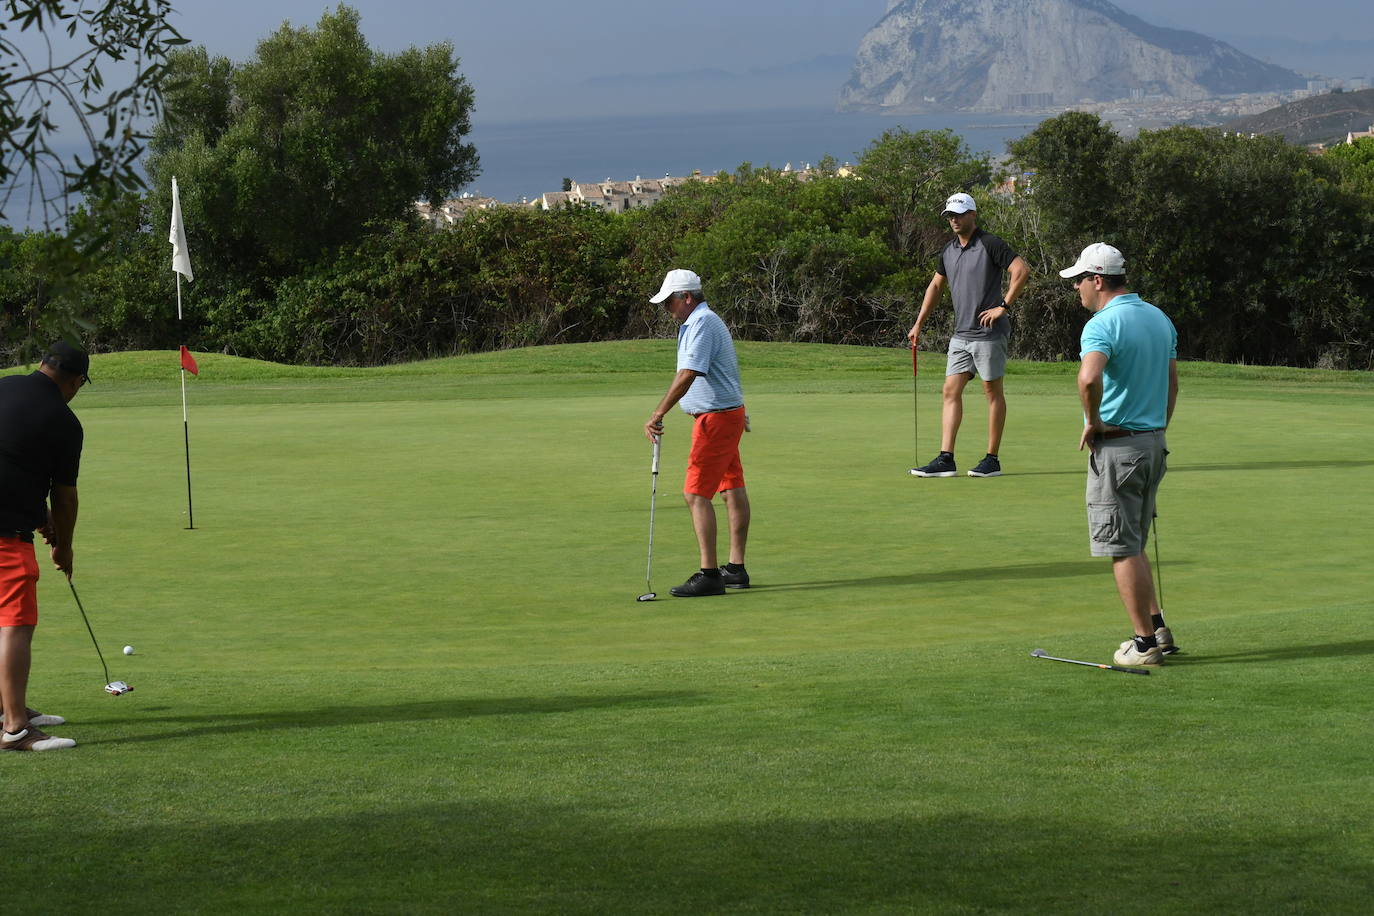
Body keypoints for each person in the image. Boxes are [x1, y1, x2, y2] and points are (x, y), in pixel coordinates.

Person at [1062, 243, 1179, 667]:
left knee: (1121, 547)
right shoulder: (1158, 318)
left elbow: (1089, 377)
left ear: (1097, 280)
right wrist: (1157, 427)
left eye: (1079, 280)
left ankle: (1144, 645)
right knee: (1134, 540)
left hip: (1118, 447)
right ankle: (1158, 627)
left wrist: (1092, 421)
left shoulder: (1102, 324)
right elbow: (1172, 384)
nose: (1076, 288)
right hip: (1153, 443)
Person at [0, 341, 88, 751]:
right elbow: (66, 497)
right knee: (15, 622)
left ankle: (5, 707)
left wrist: (38, 515)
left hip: (15, 516)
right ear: (74, 381)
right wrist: (63, 547)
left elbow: (11, 459)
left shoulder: (3, 386)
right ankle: (16, 728)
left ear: (41, 365)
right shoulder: (64, 421)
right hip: (5, 535)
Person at [643, 269, 750, 597]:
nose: (667, 309)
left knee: (695, 494)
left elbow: (689, 373)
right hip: (725, 413)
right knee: (730, 487)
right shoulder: (703, 321)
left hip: (716, 419)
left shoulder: (702, 323)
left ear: (687, 297)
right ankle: (734, 569)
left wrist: (658, 412)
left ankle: (710, 574)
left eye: (670, 302)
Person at [908, 192, 1030, 478]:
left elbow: (1021, 270)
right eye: (950, 215)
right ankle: (946, 458)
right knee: (950, 391)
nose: (954, 219)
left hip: (989, 333)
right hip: (961, 335)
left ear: (973, 215)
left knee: (992, 392)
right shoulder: (948, 251)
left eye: (959, 214)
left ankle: (992, 459)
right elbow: (935, 288)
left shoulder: (990, 244)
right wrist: (918, 323)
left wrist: (1003, 306)